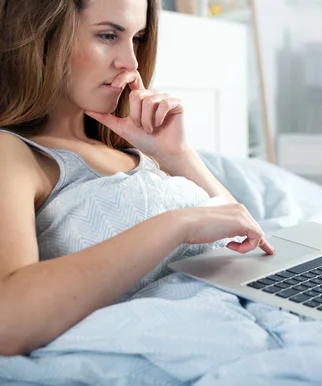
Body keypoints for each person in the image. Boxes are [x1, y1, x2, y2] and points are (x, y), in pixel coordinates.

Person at [0, 0, 275, 356]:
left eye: (138, 37)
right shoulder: (15, 154)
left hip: (254, 313)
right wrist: (177, 225)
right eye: (108, 35)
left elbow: (244, 232)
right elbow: (9, 322)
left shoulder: (135, 152)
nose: (130, 62)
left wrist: (176, 155)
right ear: (43, 37)